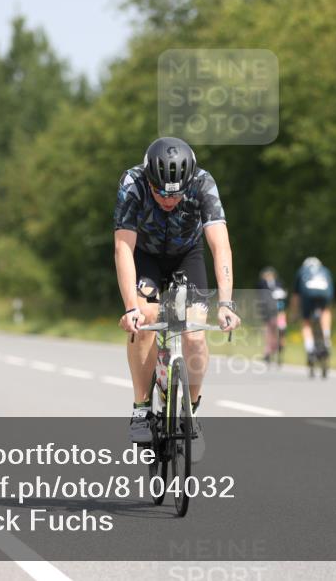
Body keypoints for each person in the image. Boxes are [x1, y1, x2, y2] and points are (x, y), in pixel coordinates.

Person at [114, 136, 241, 447]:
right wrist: (131, 306)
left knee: (195, 334)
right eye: (161, 194)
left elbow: (220, 246)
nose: (169, 201)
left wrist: (226, 303)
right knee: (145, 318)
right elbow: (123, 248)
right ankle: (142, 409)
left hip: (188, 254)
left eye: (176, 195)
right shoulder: (133, 183)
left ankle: (191, 413)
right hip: (147, 256)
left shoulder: (202, 182)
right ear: (150, 180)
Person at [293, 257, 334, 375]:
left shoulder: (302, 270)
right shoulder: (325, 270)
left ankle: (310, 348)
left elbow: (296, 296)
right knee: (325, 311)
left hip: (308, 294)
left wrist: (295, 313)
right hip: (324, 293)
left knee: (306, 321)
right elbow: (331, 291)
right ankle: (326, 338)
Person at [256, 267, 287, 365]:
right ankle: (269, 351)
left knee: (277, 330)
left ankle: (277, 347)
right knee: (270, 331)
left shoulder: (277, 284)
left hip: (278, 311)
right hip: (270, 312)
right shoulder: (263, 284)